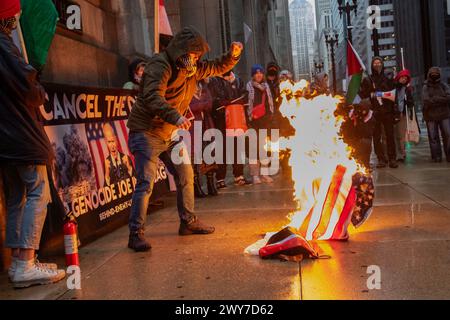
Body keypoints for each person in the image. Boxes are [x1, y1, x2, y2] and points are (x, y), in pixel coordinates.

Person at [126, 26, 243, 251]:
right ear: (180, 51)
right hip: (146, 132)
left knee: (185, 174)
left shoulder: (193, 69)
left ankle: (188, 222)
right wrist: (176, 117)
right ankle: (135, 234)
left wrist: (233, 55)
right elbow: (151, 96)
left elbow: (217, 66)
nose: (197, 59)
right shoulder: (160, 65)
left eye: (198, 56)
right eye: (193, 55)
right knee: (145, 184)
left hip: (170, 133)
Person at [0, 0, 66, 288]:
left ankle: (18, 262)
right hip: (20, 131)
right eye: (14, 15)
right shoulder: (4, 46)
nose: (17, 19)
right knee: (39, 192)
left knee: (18, 196)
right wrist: (38, 90)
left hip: (7, 138)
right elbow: (27, 85)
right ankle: (25, 262)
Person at [210, 70, 249, 188]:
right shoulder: (215, 80)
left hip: (236, 117)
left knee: (237, 147)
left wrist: (239, 98)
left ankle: (239, 175)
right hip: (221, 120)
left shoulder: (237, 80)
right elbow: (214, 99)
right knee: (222, 149)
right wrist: (222, 103)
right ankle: (220, 178)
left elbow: (245, 94)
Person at [360, 57, 398, 169]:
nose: (377, 64)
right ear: (372, 65)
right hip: (375, 112)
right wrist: (370, 92)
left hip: (387, 111)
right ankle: (381, 158)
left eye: (379, 62)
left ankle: (392, 158)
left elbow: (392, 92)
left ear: (382, 64)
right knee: (376, 137)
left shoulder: (388, 77)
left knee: (390, 136)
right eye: (375, 63)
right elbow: (363, 94)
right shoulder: (369, 79)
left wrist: (380, 93)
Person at [189, 79, 218, 197]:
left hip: (206, 125)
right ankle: (196, 187)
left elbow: (210, 104)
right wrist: (202, 104)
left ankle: (211, 184)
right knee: (195, 157)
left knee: (209, 154)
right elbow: (190, 107)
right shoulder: (186, 89)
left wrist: (200, 105)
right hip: (192, 127)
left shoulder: (204, 88)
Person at [246, 64, 275, 184]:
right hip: (253, 122)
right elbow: (246, 105)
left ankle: (265, 174)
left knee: (265, 149)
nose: (258, 75)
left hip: (265, 122)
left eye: (260, 73)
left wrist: (270, 118)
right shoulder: (248, 87)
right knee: (254, 150)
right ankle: (255, 175)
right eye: (256, 73)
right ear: (253, 75)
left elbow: (270, 105)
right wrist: (248, 121)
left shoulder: (267, 87)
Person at [422, 67, 450, 163]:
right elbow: (426, 100)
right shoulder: (425, 86)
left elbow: (448, 97)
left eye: (436, 73)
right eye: (432, 73)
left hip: (444, 114)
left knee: (448, 135)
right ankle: (436, 156)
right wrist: (441, 99)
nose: (434, 74)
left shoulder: (444, 85)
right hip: (430, 116)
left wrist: (434, 99)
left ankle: (449, 155)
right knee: (433, 137)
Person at [394, 69, 416, 162]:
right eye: (402, 77)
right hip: (392, 114)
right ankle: (395, 154)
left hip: (402, 114)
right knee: (394, 135)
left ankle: (402, 153)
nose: (403, 79)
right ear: (398, 77)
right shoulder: (393, 87)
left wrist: (409, 100)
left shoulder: (407, 89)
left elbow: (411, 103)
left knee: (401, 135)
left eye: (405, 78)